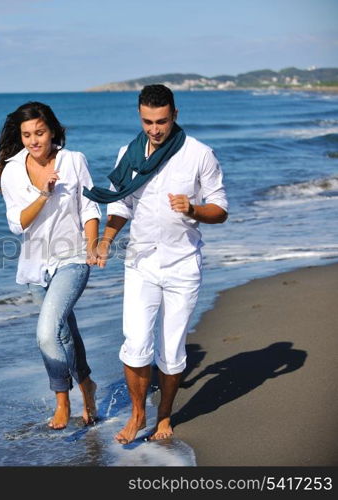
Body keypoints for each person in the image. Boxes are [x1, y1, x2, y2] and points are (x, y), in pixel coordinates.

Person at [84, 84, 228, 443]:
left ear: (175, 115)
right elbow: (120, 205)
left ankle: (164, 416)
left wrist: (194, 209)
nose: (154, 129)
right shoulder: (128, 154)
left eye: (161, 121)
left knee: (172, 350)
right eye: (148, 121)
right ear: (139, 115)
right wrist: (104, 241)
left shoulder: (199, 154)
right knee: (135, 344)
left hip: (183, 265)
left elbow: (221, 208)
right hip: (141, 262)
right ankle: (137, 415)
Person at [0, 101, 101, 430]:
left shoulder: (73, 160)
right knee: (65, 333)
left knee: (46, 333)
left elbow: (90, 207)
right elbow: (18, 224)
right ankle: (87, 387)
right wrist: (42, 194)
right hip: (35, 267)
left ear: (53, 131)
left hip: (73, 258)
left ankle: (61, 400)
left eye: (40, 132)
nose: (34, 140)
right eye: (27, 135)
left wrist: (93, 246)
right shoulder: (12, 170)